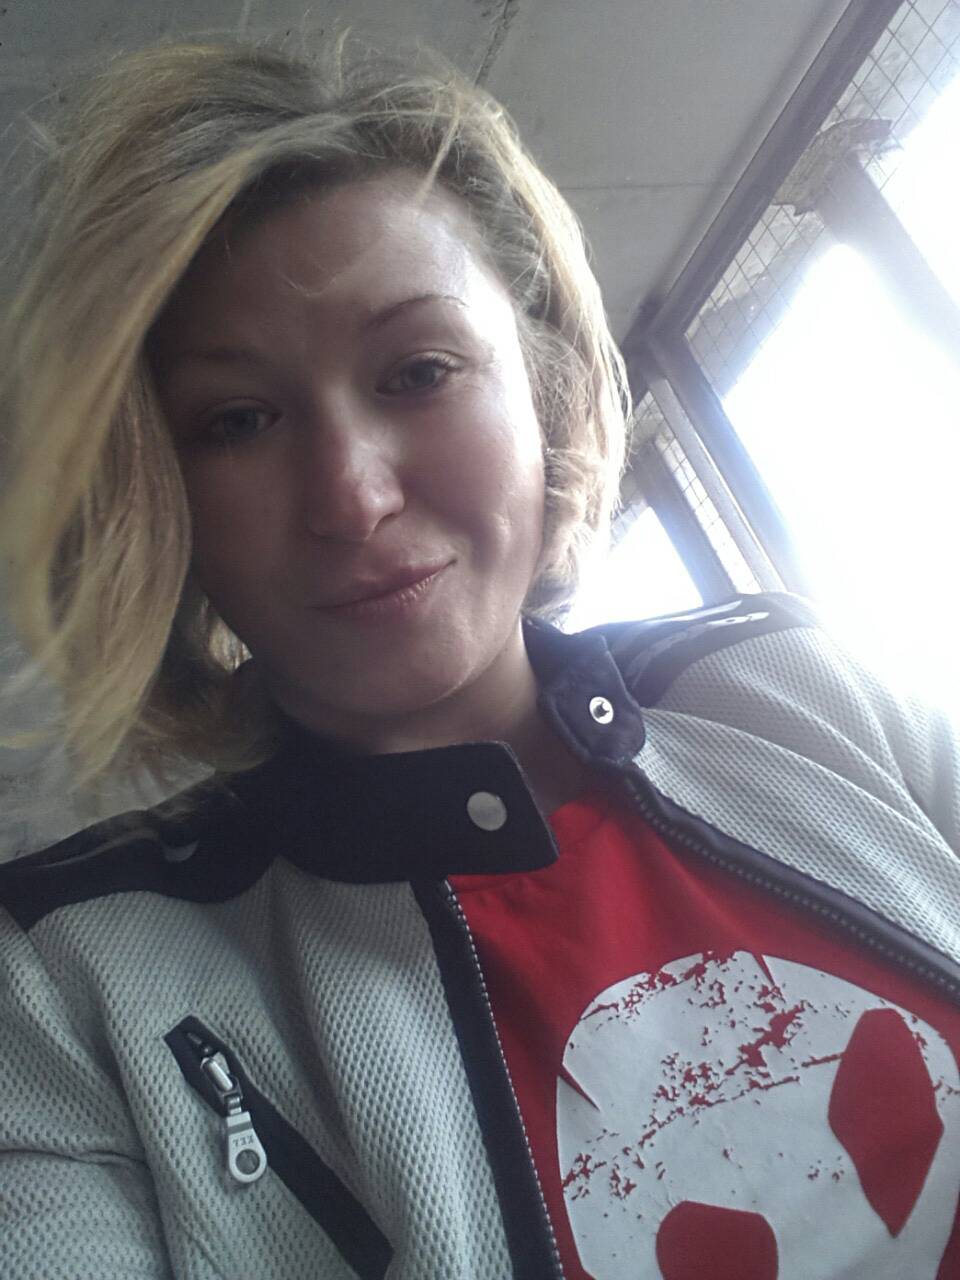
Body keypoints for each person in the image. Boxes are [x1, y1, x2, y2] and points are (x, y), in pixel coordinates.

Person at [0, 33, 958, 1280]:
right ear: (160, 497)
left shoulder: (793, 680)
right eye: (238, 420)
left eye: (419, 371)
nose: (351, 496)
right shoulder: (63, 979)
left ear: (543, 392)